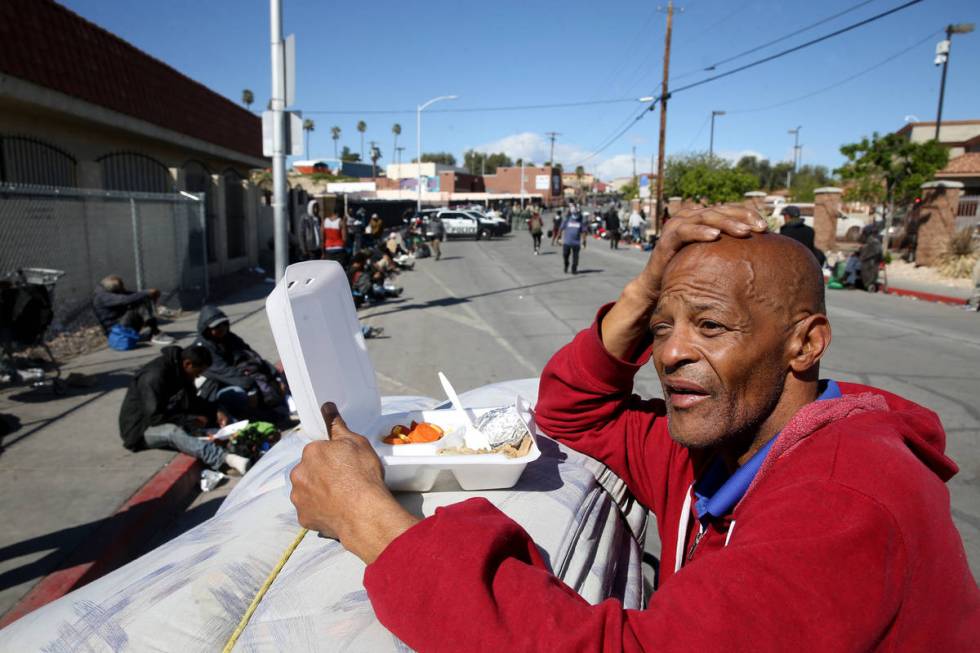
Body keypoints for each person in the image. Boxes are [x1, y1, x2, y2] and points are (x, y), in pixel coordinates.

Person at [288, 205, 979, 652]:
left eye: (710, 325)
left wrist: (369, 518)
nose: (670, 351)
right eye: (660, 328)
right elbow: (572, 411)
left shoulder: (844, 495)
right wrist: (649, 283)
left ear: (804, 344)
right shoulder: (720, 445)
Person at [118, 345, 250, 475]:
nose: (198, 377)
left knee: (204, 424)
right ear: (188, 364)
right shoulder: (153, 377)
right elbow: (154, 417)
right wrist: (188, 420)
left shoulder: (182, 373)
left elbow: (192, 402)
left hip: (166, 416)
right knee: (173, 432)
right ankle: (225, 460)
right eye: (198, 373)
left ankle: (238, 445)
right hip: (140, 429)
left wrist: (216, 410)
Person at [193, 305, 287, 421]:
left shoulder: (230, 338)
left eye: (223, 324)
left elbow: (252, 356)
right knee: (239, 394)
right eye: (216, 327)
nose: (221, 329)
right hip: (220, 387)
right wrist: (252, 386)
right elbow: (226, 373)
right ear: (206, 329)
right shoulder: (203, 349)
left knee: (282, 377)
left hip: (243, 378)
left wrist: (275, 376)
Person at [92, 275, 175, 345]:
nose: (123, 289)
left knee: (141, 298)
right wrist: (147, 293)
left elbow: (131, 295)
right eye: (121, 289)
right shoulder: (103, 297)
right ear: (115, 290)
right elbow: (125, 299)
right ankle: (155, 333)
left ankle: (152, 329)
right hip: (116, 332)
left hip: (120, 326)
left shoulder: (107, 291)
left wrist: (149, 293)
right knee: (140, 302)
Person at [558, 206, 585, 274]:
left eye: (578, 213)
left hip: (576, 243)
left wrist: (584, 241)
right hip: (567, 242)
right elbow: (561, 228)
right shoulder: (567, 220)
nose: (576, 214)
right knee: (565, 255)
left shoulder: (580, 221)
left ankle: (574, 269)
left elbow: (583, 232)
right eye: (575, 212)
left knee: (575, 257)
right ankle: (566, 265)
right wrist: (559, 237)